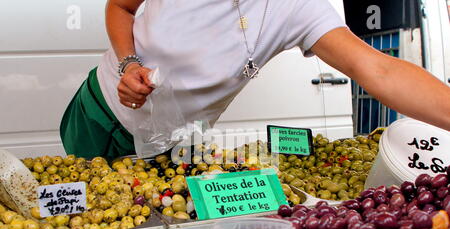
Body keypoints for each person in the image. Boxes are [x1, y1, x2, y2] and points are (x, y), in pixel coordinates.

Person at [60, 0, 450, 160]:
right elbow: (121, 6)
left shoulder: (298, 6)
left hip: (177, 142)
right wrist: (128, 63)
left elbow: (377, 69)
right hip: (103, 111)